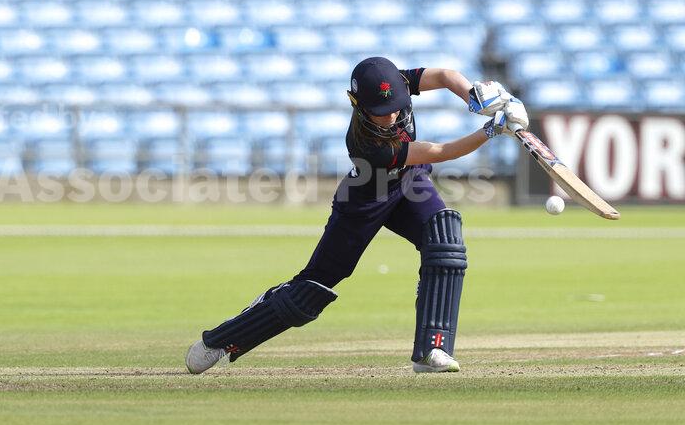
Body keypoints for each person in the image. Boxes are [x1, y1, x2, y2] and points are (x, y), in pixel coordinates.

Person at [185, 56, 527, 374]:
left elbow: (443, 75)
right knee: (313, 286)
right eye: (380, 111)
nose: (390, 116)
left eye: (393, 107)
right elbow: (440, 152)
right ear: (357, 102)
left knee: (445, 241)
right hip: (365, 198)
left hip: (410, 185)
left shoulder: (397, 83)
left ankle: (432, 350)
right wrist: (492, 130)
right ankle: (222, 339)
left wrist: (475, 95)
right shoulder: (365, 143)